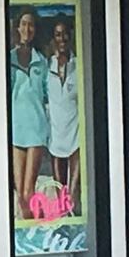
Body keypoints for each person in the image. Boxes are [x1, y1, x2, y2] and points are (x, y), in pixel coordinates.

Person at [9, 9, 49, 221]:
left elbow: (48, 95)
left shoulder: (41, 61)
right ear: (18, 27)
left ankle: (35, 232)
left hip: (36, 128)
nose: (27, 29)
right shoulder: (8, 59)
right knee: (20, 196)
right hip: (16, 130)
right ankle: (27, 234)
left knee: (28, 192)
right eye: (24, 24)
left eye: (31, 25)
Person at [45, 20, 80, 205]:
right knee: (61, 192)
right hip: (55, 134)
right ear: (53, 38)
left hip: (75, 131)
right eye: (58, 34)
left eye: (65, 33)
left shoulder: (78, 64)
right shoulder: (46, 66)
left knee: (72, 194)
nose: (62, 38)